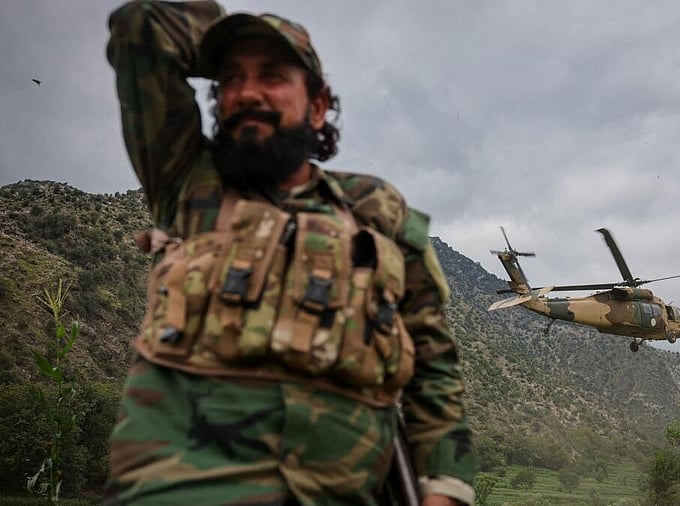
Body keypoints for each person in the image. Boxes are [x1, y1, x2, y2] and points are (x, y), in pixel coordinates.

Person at [105, 2, 476, 505]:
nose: (246, 92)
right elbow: (141, 28)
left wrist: (444, 492)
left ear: (318, 106)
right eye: (230, 79)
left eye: (272, 76)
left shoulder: (376, 208)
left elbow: (434, 368)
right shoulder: (187, 181)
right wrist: (212, 38)